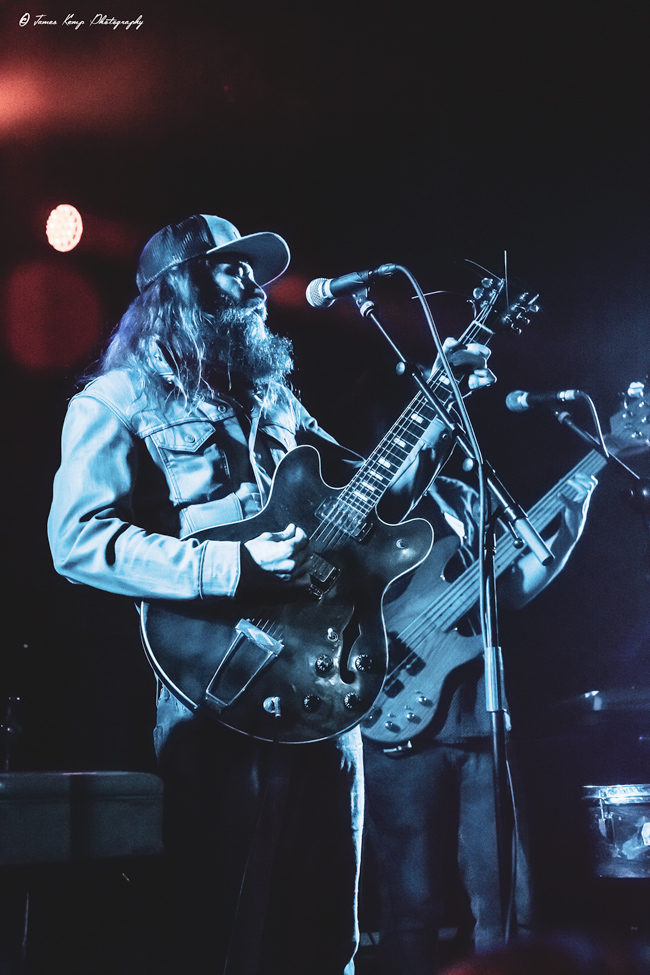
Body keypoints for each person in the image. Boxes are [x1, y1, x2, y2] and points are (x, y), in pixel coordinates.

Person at [47, 213, 495, 975]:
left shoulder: (277, 401)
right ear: (177, 291)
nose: (255, 284)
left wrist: (441, 407)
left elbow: (369, 506)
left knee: (326, 927)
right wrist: (233, 566)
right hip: (219, 686)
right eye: (231, 269)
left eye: (254, 270)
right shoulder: (116, 401)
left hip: (326, 683)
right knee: (225, 927)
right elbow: (79, 540)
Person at [362, 464, 598, 975]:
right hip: (398, 715)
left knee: (510, 905)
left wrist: (571, 526)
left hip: (483, 720)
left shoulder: (473, 496)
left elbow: (506, 592)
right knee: (411, 907)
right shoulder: (385, 487)